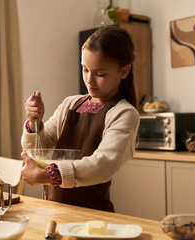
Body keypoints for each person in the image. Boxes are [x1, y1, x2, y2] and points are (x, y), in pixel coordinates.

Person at [20, 26, 140, 212]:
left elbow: (102, 165)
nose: (89, 80)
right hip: (53, 210)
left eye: (100, 74)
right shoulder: (70, 104)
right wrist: (34, 123)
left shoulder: (124, 113)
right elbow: (41, 149)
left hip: (93, 216)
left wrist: (46, 176)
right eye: (85, 69)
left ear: (124, 71)